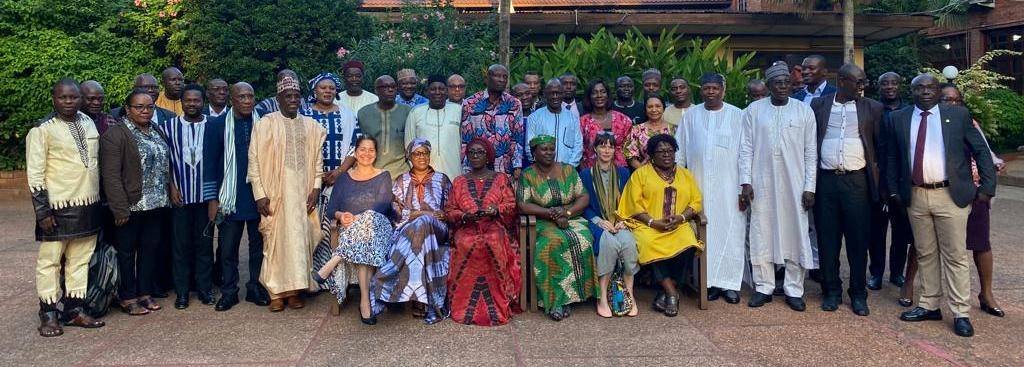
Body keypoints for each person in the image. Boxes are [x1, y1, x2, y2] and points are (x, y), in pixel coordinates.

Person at [886, 74, 995, 337]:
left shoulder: (957, 115)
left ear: (937, 91)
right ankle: (929, 304)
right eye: (919, 87)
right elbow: (892, 156)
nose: (925, 91)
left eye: (930, 87)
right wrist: (893, 190)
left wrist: (986, 189)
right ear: (911, 91)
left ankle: (960, 312)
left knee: (955, 256)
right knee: (925, 253)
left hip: (950, 195)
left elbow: (981, 150)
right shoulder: (899, 118)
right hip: (916, 195)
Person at [27, 79, 106, 337]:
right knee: (49, 262)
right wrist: (42, 211)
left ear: (80, 99)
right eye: (63, 97)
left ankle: (74, 310)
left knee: (80, 260)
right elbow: (35, 174)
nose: (69, 101)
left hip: (89, 204)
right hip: (57, 208)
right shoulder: (42, 129)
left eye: (73, 97)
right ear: (54, 99)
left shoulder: (88, 122)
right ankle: (48, 313)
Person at [738, 62, 818, 312]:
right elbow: (745, 148)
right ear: (769, 85)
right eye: (777, 83)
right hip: (761, 183)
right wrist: (746, 181)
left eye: (786, 82)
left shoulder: (804, 111)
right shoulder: (754, 110)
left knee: (796, 233)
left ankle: (794, 289)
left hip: (795, 184)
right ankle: (764, 287)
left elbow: (810, 153)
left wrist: (810, 187)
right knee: (761, 232)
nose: (782, 86)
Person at [808, 64, 884, 316]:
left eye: (863, 81)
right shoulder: (819, 105)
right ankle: (831, 291)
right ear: (841, 81)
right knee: (827, 240)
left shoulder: (872, 108)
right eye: (857, 82)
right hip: (826, 182)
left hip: (857, 183)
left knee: (858, 241)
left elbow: (880, 148)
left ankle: (858, 294)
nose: (862, 86)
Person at [247, 76, 326, 312]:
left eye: (296, 96)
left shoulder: (311, 126)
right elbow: (254, 160)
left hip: (302, 195)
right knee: (275, 244)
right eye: (288, 96)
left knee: (301, 242)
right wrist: (259, 194)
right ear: (278, 98)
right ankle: (276, 293)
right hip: (275, 194)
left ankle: (295, 291)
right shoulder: (266, 124)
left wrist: (316, 187)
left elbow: (318, 160)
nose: (293, 100)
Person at [936, 83, 1007, 318]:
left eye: (956, 100)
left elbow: (985, 153)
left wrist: (987, 188)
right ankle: (910, 288)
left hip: (972, 191)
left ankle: (986, 294)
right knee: (924, 245)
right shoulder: (930, 122)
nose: (951, 104)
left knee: (981, 243)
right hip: (940, 191)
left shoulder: (969, 122)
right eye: (946, 99)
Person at [676, 73, 746, 305]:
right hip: (699, 187)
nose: (711, 92)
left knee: (732, 233)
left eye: (715, 88)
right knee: (704, 235)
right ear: (701, 90)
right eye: (706, 88)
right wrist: (680, 187)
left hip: (730, 188)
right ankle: (708, 283)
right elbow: (680, 154)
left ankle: (730, 285)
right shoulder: (690, 116)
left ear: (723, 90)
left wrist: (744, 186)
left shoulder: (738, 115)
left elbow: (745, 153)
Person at [101, 90, 173, 316]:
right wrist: (119, 209)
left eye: (149, 107)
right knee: (126, 253)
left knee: (149, 250)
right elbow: (111, 176)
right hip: (130, 206)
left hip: (156, 204)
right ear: (128, 109)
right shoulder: (116, 135)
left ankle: (144, 293)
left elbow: (165, 165)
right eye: (139, 107)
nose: (145, 111)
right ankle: (127, 296)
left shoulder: (156, 130)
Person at [618, 134, 703, 317]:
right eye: (661, 151)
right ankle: (672, 293)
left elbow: (696, 201)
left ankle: (666, 292)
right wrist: (652, 222)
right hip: (648, 225)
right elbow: (633, 204)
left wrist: (681, 217)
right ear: (651, 155)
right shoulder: (640, 174)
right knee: (647, 242)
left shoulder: (685, 174)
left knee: (689, 240)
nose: (666, 155)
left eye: (670, 151)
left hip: (678, 224)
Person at [203, 82, 270, 311]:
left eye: (251, 96)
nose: (247, 101)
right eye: (242, 97)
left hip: (258, 196)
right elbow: (209, 164)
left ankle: (255, 288)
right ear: (232, 100)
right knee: (227, 249)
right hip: (229, 198)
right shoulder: (217, 125)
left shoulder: (263, 123)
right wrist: (212, 200)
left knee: (258, 247)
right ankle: (229, 292)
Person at [313, 135, 394, 324]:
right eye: (362, 149)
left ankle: (335, 259)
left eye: (371, 150)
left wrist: (357, 218)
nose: (367, 153)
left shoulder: (383, 176)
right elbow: (332, 209)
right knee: (363, 241)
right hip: (353, 233)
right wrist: (342, 216)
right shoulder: (344, 178)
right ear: (355, 153)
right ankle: (365, 303)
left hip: (378, 228)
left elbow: (382, 207)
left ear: (376, 154)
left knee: (370, 219)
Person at [372, 139, 452, 323]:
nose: (421, 157)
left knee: (423, 222)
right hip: (409, 230)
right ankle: (423, 300)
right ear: (409, 157)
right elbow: (396, 214)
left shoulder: (442, 179)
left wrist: (443, 214)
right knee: (421, 224)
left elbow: (452, 208)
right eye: (417, 153)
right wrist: (424, 214)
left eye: (425, 153)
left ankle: (387, 282)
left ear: (429, 155)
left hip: (438, 230)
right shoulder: (401, 181)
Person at [518, 135, 598, 321]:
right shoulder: (528, 175)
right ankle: (555, 301)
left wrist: (567, 213)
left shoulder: (568, 170)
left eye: (551, 149)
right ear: (534, 153)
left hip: (571, 218)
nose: (549, 153)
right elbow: (522, 205)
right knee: (552, 242)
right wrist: (552, 214)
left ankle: (575, 296)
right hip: (542, 221)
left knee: (584, 239)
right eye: (544, 149)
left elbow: (583, 196)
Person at [445, 138, 522, 326]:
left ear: (488, 157)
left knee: (493, 240)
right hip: (467, 227)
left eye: (480, 152)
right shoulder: (459, 181)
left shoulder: (500, 179)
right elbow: (450, 210)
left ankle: (497, 306)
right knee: (466, 242)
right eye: (471, 152)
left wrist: (496, 210)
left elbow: (511, 205)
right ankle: (464, 307)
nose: (475, 156)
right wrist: (464, 216)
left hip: (494, 225)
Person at [161, 84, 215, 309]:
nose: (192, 104)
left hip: (205, 198)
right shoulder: (168, 127)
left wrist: (214, 199)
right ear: (181, 102)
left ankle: (205, 289)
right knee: (180, 247)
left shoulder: (213, 125)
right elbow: (165, 160)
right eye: (188, 100)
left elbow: (219, 162)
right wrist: (171, 186)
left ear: (203, 102)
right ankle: (182, 293)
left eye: (196, 100)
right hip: (180, 198)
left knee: (204, 246)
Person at [580, 133, 638, 317]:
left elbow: (629, 201)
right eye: (602, 146)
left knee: (628, 243)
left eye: (610, 147)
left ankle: (629, 294)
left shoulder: (623, 173)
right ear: (595, 149)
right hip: (596, 223)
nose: (606, 150)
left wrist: (622, 220)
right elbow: (584, 205)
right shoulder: (585, 174)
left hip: (619, 221)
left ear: (615, 150)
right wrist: (599, 221)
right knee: (609, 244)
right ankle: (602, 296)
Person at [874, 71, 914, 293]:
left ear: (900, 85)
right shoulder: (873, 109)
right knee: (876, 232)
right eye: (885, 83)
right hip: (877, 178)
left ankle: (897, 272)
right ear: (879, 86)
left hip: (901, 179)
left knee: (901, 232)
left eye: (893, 83)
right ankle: (876, 273)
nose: (889, 87)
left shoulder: (910, 111)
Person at [461, 64, 524, 176]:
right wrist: (466, 169)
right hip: (477, 168)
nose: (501, 80)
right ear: (487, 79)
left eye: (505, 77)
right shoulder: (470, 103)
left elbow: (517, 137)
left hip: (505, 168)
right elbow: (466, 140)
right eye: (497, 76)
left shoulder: (514, 104)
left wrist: (517, 166)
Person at [300, 72, 361, 175]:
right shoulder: (304, 115)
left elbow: (356, 145)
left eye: (332, 88)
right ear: (315, 91)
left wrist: (339, 171)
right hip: (309, 176)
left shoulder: (348, 115)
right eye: (323, 88)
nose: (328, 91)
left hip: (342, 176)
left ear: (336, 92)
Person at [405, 75, 463, 179]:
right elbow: (409, 146)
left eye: (441, 89)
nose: (437, 92)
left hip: (454, 174)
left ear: (446, 91)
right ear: (427, 91)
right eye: (433, 89)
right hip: (424, 177)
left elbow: (464, 143)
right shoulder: (416, 112)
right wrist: (417, 174)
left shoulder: (458, 111)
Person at [358, 75, 412, 178]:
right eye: (385, 87)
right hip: (371, 173)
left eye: (393, 86)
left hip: (401, 173)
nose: (390, 90)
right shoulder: (363, 113)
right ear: (376, 90)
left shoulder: (408, 112)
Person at [525, 79, 583, 167]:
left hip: (567, 170)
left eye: (558, 93)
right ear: (545, 94)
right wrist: (541, 167)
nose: (555, 96)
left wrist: (569, 167)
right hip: (541, 170)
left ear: (563, 94)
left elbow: (578, 145)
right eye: (551, 93)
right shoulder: (534, 118)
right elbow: (530, 145)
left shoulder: (572, 118)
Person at [579, 78, 632, 168]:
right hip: (592, 170)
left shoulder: (623, 120)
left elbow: (630, 149)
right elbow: (579, 150)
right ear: (589, 97)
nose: (599, 95)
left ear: (608, 95)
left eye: (603, 92)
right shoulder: (583, 122)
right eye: (594, 92)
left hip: (620, 171)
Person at [623, 96, 672, 170]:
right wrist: (644, 172)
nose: (654, 110)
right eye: (650, 107)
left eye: (658, 106)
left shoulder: (674, 129)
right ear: (645, 109)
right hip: (644, 172)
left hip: (670, 172)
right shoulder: (636, 129)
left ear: (664, 108)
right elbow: (630, 156)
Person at [111, 74, 176, 125]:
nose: (151, 90)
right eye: (145, 87)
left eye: (155, 87)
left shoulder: (170, 116)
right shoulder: (115, 114)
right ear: (134, 89)